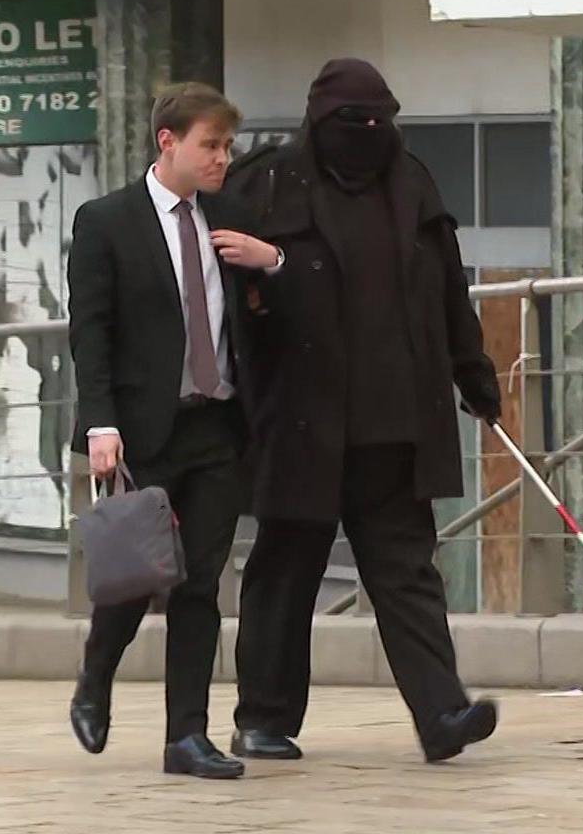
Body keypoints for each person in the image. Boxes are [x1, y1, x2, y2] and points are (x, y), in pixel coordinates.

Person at [224, 58, 503, 764]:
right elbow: (233, 304)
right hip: (300, 419)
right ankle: (263, 717)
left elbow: (448, 293)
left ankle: (442, 713)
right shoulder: (268, 182)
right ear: (320, 123)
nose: (368, 135)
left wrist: (473, 373)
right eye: (354, 123)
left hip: (395, 421)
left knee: (407, 573)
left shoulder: (413, 184)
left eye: (381, 121)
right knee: (286, 572)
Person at [66, 81, 283, 780]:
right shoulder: (107, 222)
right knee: (137, 577)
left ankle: (186, 736)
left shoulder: (231, 216)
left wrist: (270, 262)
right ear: (169, 142)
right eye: (210, 145)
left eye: (227, 146)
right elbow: (90, 333)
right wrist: (100, 422)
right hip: (143, 429)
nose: (223, 158)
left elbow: (263, 315)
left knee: (200, 585)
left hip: (218, 426)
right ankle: (96, 678)